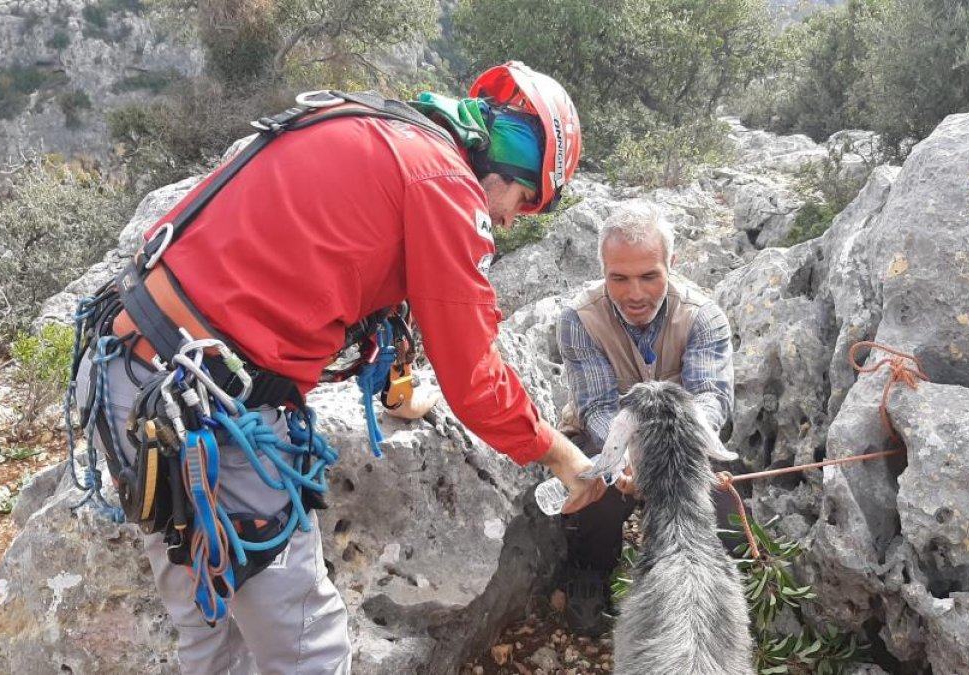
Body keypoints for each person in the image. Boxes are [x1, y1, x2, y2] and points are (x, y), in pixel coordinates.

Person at [70, 61, 606, 674]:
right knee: (311, 650)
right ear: (515, 161)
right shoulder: (445, 185)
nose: (512, 219)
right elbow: (474, 376)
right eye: (525, 199)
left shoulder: (374, 127)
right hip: (211, 418)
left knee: (209, 631)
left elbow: (346, 264)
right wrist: (559, 454)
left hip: (125, 375)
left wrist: (400, 391)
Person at [554, 201, 736, 636]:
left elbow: (711, 398)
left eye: (649, 276)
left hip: (680, 438)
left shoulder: (703, 316)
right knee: (596, 485)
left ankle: (712, 586)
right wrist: (628, 457)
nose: (635, 293)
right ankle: (591, 568)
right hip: (605, 436)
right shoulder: (579, 320)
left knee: (726, 505)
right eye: (619, 278)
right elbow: (597, 406)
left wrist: (670, 452)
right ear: (603, 271)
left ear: (671, 264)